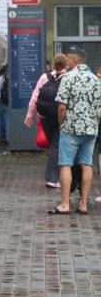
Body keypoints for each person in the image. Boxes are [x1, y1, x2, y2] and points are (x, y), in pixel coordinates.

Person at [48, 46, 101, 215]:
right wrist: (94, 122)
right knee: (87, 164)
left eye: (69, 59)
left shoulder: (68, 78)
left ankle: (64, 204)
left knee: (65, 164)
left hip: (70, 129)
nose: (67, 62)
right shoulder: (95, 80)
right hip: (90, 130)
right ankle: (83, 204)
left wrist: (61, 123)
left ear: (76, 61)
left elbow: (62, 107)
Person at [25, 54, 67, 188]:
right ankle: (53, 178)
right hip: (60, 117)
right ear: (66, 64)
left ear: (54, 64)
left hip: (44, 117)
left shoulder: (44, 77)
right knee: (56, 145)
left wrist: (29, 115)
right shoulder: (68, 77)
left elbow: (35, 96)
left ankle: (53, 177)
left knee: (53, 145)